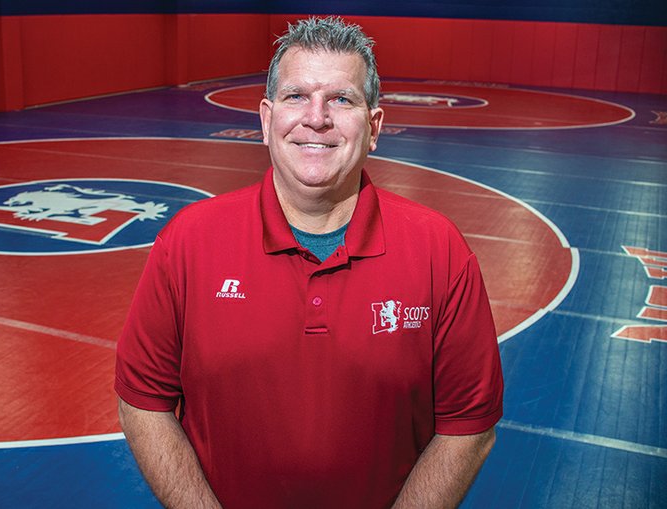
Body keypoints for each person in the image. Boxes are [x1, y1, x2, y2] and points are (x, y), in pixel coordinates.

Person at [115, 16, 503, 509]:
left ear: (375, 126)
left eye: (341, 99)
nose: (316, 118)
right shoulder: (187, 242)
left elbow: (469, 426)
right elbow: (142, 400)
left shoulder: (439, 250)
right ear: (265, 119)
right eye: (297, 96)